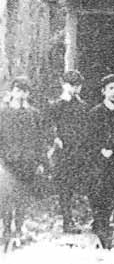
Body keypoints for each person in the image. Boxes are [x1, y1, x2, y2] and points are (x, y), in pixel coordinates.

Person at [0, 76, 48, 251]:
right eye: (18, 90)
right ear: (12, 91)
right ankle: (5, 230)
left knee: (22, 198)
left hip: (27, 163)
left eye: (25, 91)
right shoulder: (3, 113)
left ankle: (18, 230)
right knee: (6, 198)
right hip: (6, 163)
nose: (21, 94)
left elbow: (40, 140)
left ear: (28, 94)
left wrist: (41, 162)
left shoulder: (33, 114)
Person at [46, 70, 91, 233]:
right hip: (63, 151)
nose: (75, 89)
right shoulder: (56, 105)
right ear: (64, 85)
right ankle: (67, 220)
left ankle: (88, 217)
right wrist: (55, 139)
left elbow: (86, 128)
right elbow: (48, 126)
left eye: (78, 85)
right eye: (71, 85)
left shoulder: (83, 106)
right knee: (65, 187)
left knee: (80, 184)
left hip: (79, 150)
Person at [86, 74, 114, 249]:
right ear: (103, 91)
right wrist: (101, 150)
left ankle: (103, 222)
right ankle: (102, 227)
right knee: (102, 192)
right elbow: (89, 138)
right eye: (111, 89)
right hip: (101, 161)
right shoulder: (96, 113)